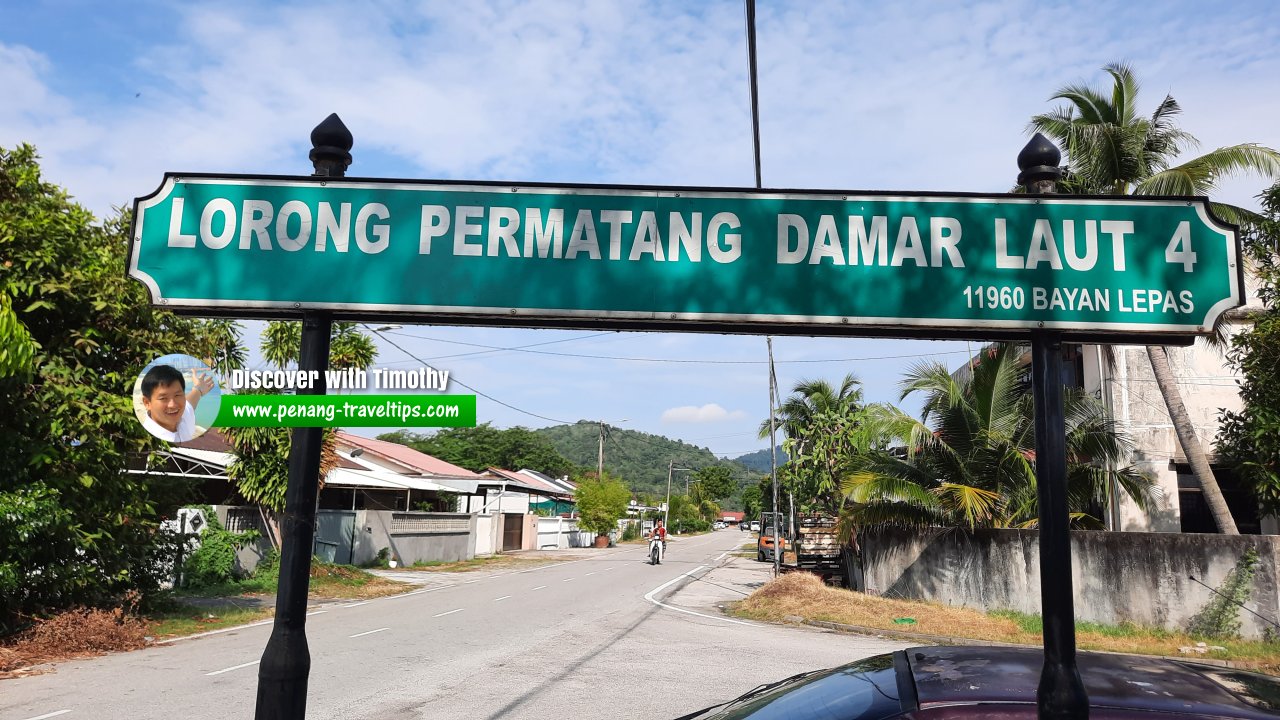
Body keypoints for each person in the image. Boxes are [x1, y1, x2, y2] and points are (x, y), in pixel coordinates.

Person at [139, 364, 214, 442]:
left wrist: (198, 388)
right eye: (163, 398)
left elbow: (190, 402)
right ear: (147, 403)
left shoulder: (183, 417)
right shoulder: (148, 439)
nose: (173, 405)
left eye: (177, 395)